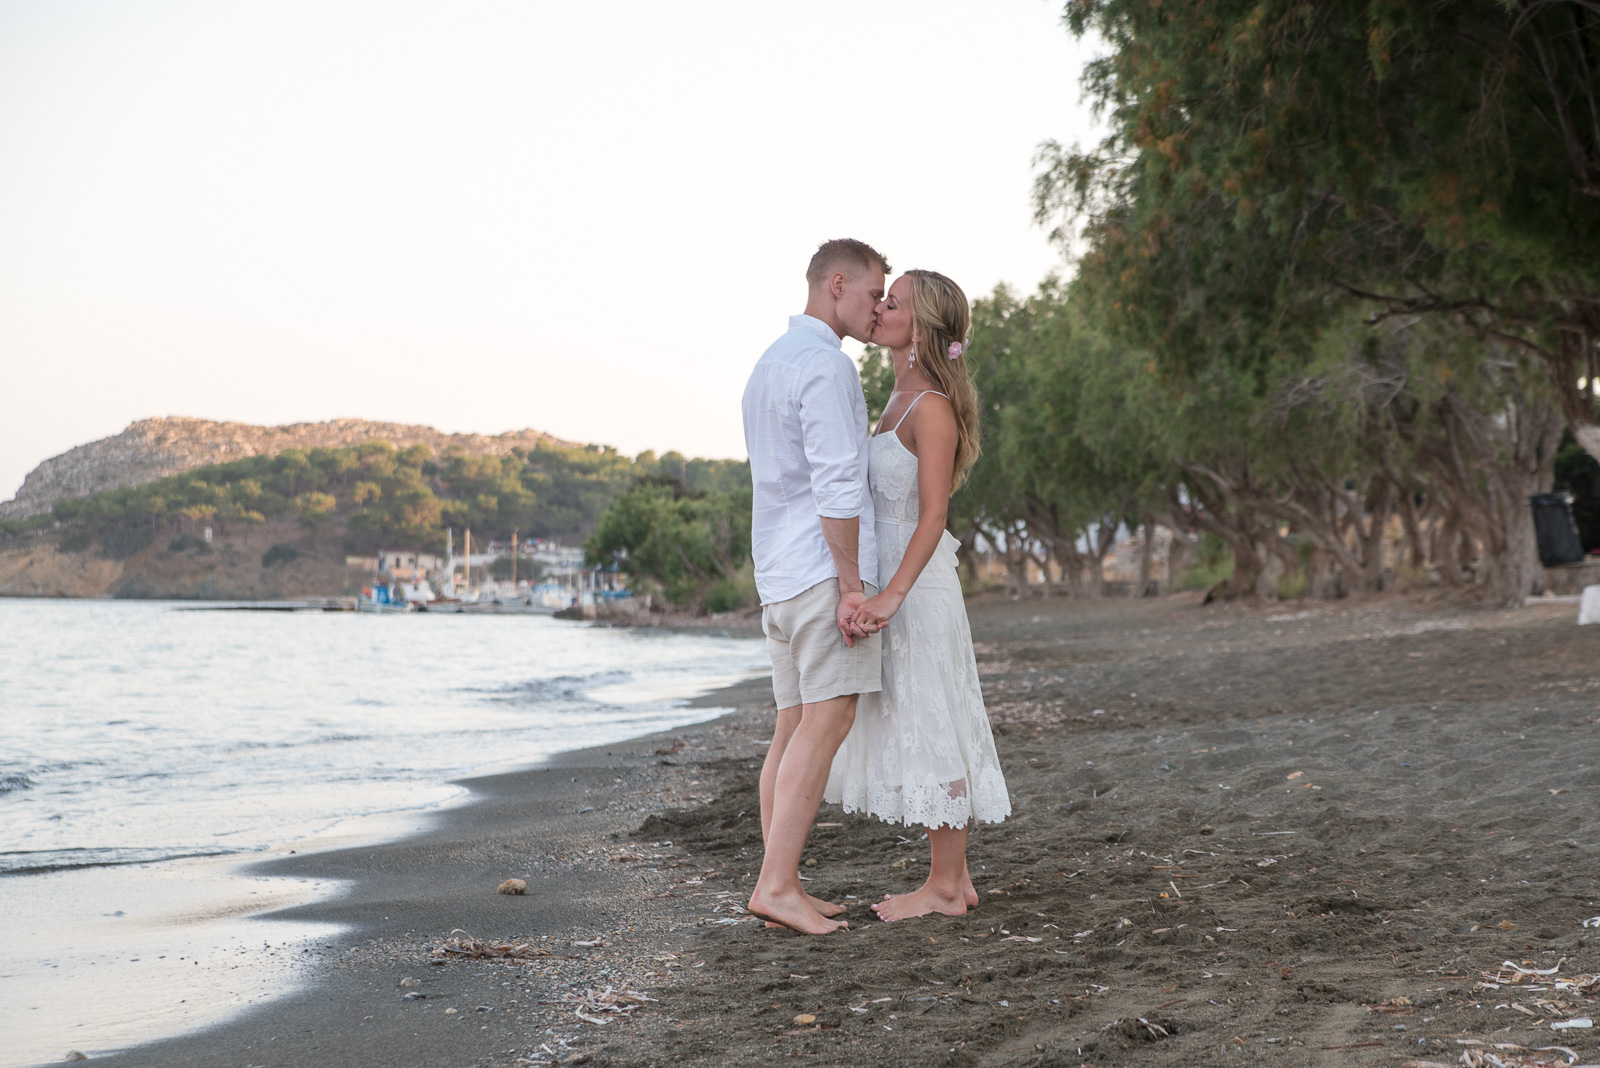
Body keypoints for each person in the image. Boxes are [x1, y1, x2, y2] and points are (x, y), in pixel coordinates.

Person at [825, 269, 1012, 921]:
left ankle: (940, 886)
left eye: (892, 302)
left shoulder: (930, 405)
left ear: (922, 326)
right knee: (926, 719)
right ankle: (953, 881)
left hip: (919, 587)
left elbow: (934, 513)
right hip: (893, 581)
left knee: (936, 721)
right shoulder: (897, 395)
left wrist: (892, 596)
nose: (878, 309)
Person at [741, 238, 890, 935]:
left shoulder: (768, 364)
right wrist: (853, 586)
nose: (878, 309)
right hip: (817, 571)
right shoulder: (826, 366)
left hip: (777, 574)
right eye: (872, 294)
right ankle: (776, 887)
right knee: (826, 721)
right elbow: (836, 486)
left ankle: (782, 885)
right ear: (837, 284)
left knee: (793, 726)